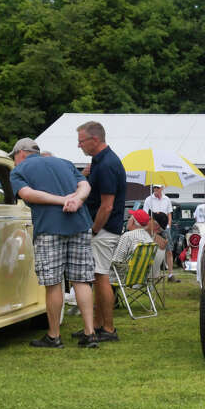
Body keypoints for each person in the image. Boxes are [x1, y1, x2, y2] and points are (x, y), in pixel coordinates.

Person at [7, 137, 99, 349]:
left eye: (14, 157)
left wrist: (62, 200)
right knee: (82, 280)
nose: (14, 162)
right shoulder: (64, 162)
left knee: (54, 283)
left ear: (21, 154)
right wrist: (76, 200)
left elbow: (28, 194)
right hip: (80, 223)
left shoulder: (19, 171)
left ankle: (54, 336)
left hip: (49, 228)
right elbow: (85, 185)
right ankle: (90, 333)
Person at [77, 120, 129, 343]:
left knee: (101, 277)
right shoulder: (100, 162)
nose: (79, 145)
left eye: (82, 141)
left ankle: (108, 329)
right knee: (97, 277)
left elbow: (107, 205)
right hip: (105, 229)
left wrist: (94, 229)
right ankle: (97, 325)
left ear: (95, 139)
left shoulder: (107, 164)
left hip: (104, 229)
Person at [143, 184, 177, 280]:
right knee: (152, 250)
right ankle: (151, 274)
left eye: (157, 187)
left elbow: (169, 214)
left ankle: (170, 275)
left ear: (162, 188)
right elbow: (145, 214)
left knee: (169, 250)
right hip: (153, 227)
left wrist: (168, 226)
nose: (155, 189)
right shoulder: (148, 199)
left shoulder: (167, 199)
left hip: (165, 227)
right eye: (154, 187)